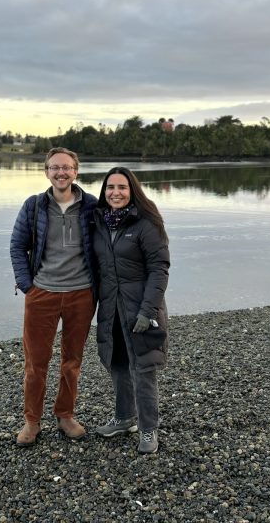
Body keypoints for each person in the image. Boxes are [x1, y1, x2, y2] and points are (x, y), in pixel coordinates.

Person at [9, 147, 98, 447]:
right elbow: (17, 246)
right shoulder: (34, 206)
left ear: (76, 171)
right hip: (42, 294)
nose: (61, 173)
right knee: (36, 363)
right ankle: (32, 421)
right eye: (55, 168)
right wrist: (27, 285)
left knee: (72, 361)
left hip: (81, 295)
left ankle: (65, 415)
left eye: (67, 168)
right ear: (46, 172)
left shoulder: (92, 207)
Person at [92, 167, 170, 454]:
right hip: (111, 310)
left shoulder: (146, 224)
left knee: (143, 370)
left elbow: (159, 269)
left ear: (132, 190)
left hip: (141, 310)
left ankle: (148, 429)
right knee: (118, 366)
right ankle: (124, 419)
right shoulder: (99, 223)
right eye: (110, 187)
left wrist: (148, 310)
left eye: (122, 187)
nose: (115, 193)